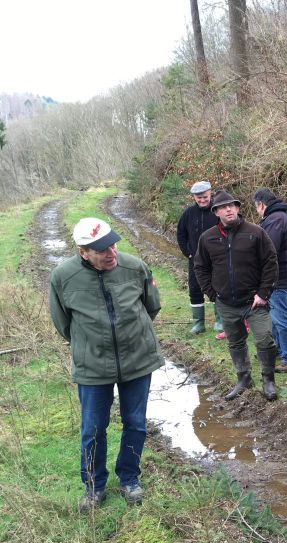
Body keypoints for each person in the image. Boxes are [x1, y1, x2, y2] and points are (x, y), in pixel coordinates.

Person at [49, 218, 165, 511]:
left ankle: (129, 478)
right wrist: (90, 345)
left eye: (112, 243)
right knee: (93, 428)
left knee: (136, 423)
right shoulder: (63, 277)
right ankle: (94, 487)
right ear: (83, 251)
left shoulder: (134, 267)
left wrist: (130, 337)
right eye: (101, 249)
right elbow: (63, 323)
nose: (111, 251)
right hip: (93, 367)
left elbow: (151, 306)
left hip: (137, 360)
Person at [194, 191, 280, 401]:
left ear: (238, 208)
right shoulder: (208, 238)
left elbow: (271, 262)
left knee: (265, 339)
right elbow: (200, 267)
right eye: (223, 207)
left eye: (232, 205)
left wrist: (263, 293)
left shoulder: (255, 232)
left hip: (254, 301)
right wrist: (212, 293)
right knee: (235, 342)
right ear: (216, 212)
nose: (229, 209)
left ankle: (268, 380)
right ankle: (244, 378)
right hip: (226, 302)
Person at [253, 188, 287, 373]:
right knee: (276, 316)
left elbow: (268, 250)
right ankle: (280, 351)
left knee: (282, 318)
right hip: (281, 274)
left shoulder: (275, 220)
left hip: (279, 276)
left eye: (257, 207)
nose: (257, 211)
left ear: (261, 204)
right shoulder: (280, 217)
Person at [176, 180, 223, 335]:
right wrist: (188, 253)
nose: (202, 200)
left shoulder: (218, 212)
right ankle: (198, 324)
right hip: (195, 261)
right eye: (198, 197)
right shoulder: (188, 214)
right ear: (194, 197)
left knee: (218, 287)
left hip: (216, 260)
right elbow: (181, 235)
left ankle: (220, 320)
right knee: (195, 289)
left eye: (204, 197)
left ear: (210, 194)